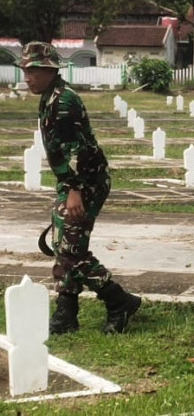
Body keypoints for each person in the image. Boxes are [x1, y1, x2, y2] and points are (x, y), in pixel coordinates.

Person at [16, 41, 141, 335]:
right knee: (65, 244)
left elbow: (78, 150)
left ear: (49, 70)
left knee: (71, 249)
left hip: (86, 181)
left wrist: (74, 190)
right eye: (25, 71)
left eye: (33, 71)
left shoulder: (63, 102)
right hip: (72, 181)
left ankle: (118, 300)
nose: (27, 77)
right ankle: (66, 313)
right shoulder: (49, 96)